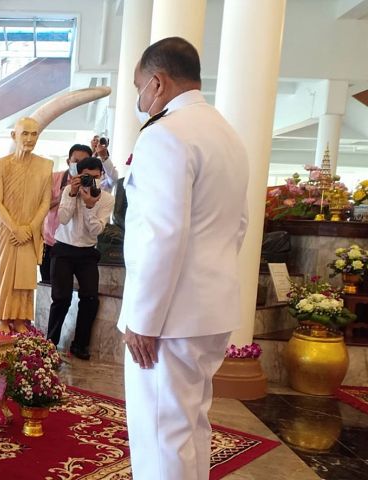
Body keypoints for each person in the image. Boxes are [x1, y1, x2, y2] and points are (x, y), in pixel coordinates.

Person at [117, 37, 248, 480]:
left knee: (160, 437)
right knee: (190, 425)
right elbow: (240, 225)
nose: (139, 98)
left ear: (157, 82)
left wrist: (144, 319)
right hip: (208, 309)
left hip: (169, 319)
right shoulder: (225, 133)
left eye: (139, 86)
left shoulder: (166, 134)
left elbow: (161, 234)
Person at [46, 156, 114, 359]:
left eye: (95, 177)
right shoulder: (69, 191)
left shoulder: (107, 199)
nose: (91, 181)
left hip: (87, 252)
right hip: (63, 249)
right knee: (61, 298)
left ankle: (80, 345)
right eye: (86, 177)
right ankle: (50, 344)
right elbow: (64, 219)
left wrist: (89, 206)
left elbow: (96, 231)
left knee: (90, 298)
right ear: (78, 176)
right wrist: (74, 193)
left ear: (101, 175)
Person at [0, 117, 53, 334]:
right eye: (25, 133)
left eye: (34, 134)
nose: (29, 139)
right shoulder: (1, 165)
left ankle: (20, 318)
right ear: (14, 135)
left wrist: (30, 228)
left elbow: (46, 201)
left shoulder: (46, 166)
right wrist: (15, 228)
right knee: (5, 273)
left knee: (25, 275)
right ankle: (2, 317)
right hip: (6, 230)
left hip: (30, 231)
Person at [41, 144, 93, 284]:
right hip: (51, 243)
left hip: (80, 246)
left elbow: (111, 183)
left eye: (84, 161)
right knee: (48, 288)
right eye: (76, 161)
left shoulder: (93, 182)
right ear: (68, 162)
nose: (79, 165)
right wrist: (61, 197)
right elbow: (39, 207)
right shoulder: (53, 179)